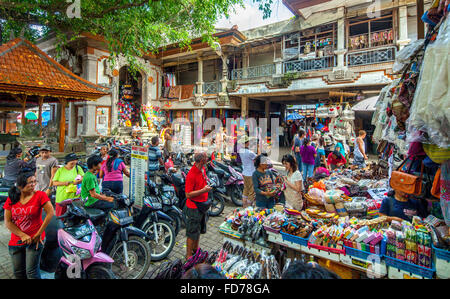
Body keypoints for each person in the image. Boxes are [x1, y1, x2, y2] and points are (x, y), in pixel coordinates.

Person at [3, 172, 55, 279]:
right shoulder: (12, 198)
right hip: (17, 240)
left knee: (32, 272)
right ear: (20, 186)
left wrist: (39, 233)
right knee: (18, 272)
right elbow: (8, 222)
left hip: (36, 239)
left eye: (34, 181)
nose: (33, 185)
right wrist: (22, 235)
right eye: (30, 182)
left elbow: (50, 213)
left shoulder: (40, 195)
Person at [184, 152, 212, 260]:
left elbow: (203, 180)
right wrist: (203, 190)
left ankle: (196, 250)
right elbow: (188, 194)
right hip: (193, 207)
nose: (207, 158)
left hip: (202, 206)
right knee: (191, 232)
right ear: (201, 161)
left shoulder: (203, 169)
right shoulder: (191, 174)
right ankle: (188, 255)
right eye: (205, 158)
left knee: (198, 229)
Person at [239, 135, 257, 208]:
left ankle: (244, 206)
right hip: (251, 173)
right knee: (251, 191)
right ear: (247, 143)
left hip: (244, 173)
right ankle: (249, 207)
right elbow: (257, 158)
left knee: (246, 189)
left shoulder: (241, 151)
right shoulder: (250, 152)